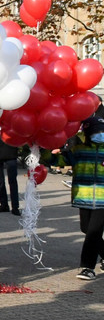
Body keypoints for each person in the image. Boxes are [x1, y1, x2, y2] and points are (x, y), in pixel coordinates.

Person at [66, 116, 104, 280]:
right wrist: (50, 152)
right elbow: (62, 160)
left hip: (103, 199)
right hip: (83, 197)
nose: (100, 134)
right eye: (97, 132)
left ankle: (87, 267)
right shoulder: (79, 149)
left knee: (94, 232)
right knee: (86, 229)